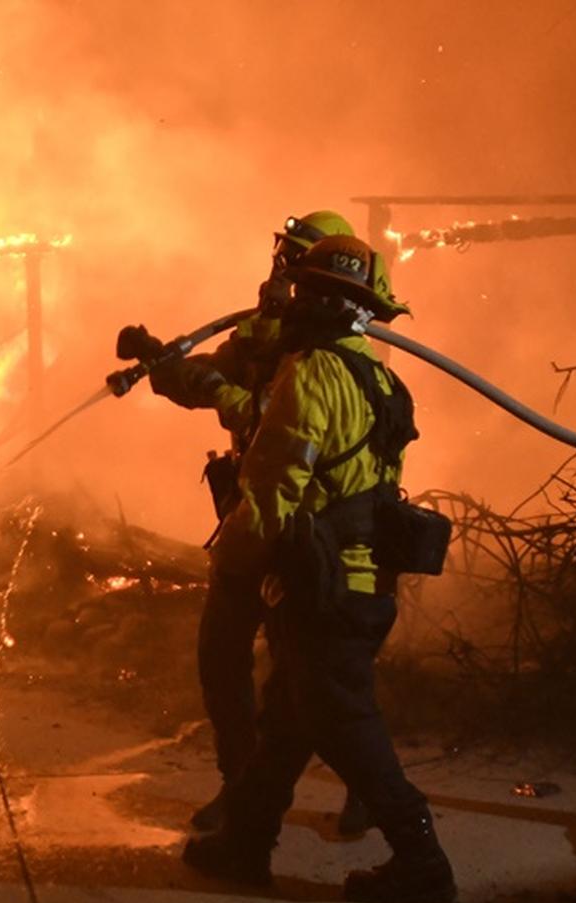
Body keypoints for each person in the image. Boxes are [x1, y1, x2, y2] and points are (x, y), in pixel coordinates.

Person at [181, 234, 457, 903]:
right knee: (285, 725)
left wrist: (234, 571)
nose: (293, 303)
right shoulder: (381, 380)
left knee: (347, 728)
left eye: (304, 292)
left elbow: (271, 492)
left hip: (327, 595)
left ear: (325, 302)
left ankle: (422, 859)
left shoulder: (312, 376)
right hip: (361, 586)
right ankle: (246, 845)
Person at [117, 211, 369, 835]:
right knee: (222, 655)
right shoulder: (264, 331)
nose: (281, 271)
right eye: (282, 258)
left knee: (311, 673)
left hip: (309, 532)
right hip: (256, 517)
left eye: (293, 261)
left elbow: (263, 410)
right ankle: (241, 788)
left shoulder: (332, 345)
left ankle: (368, 790)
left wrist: (216, 386)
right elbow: (208, 377)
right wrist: (158, 360)